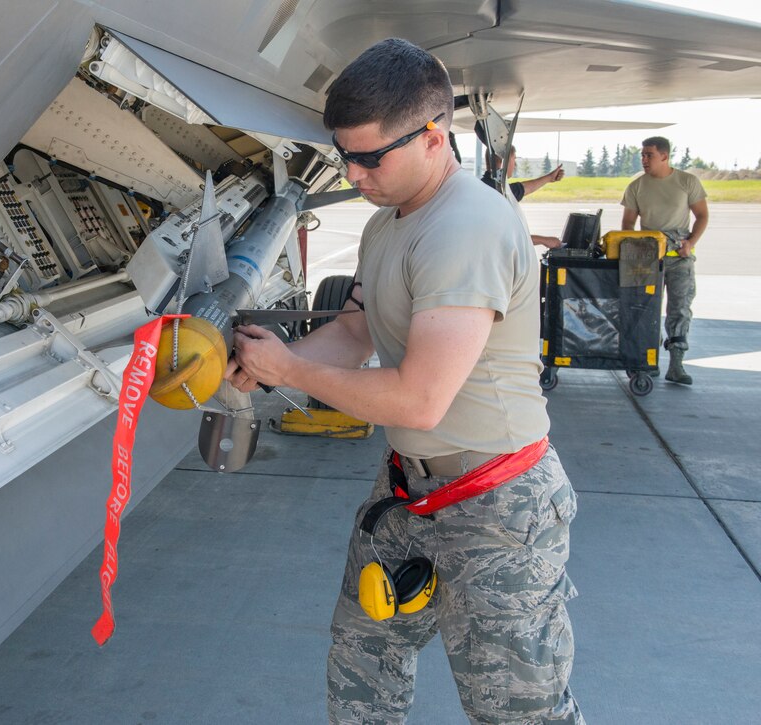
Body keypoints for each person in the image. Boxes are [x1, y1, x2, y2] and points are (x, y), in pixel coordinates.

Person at [225, 38, 583, 724]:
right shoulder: (389, 223)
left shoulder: (466, 226)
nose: (354, 175)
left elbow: (421, 396)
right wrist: (268, 364)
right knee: (362, 669)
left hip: (496, 507)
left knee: (517, 710)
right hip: (409, 491)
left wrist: (291, 369)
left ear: (432, 136)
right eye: (344, 156)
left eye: (369, 158)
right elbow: (357, 332)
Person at [621, 136, 708, 385]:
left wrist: (691, 243)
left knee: (680, 308)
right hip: (648, 257)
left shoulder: (686, 182)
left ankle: (676, 365)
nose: (644, 159)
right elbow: (628, 223)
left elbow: (702, 216)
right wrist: (636, 247)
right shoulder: (637, 186)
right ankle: (647, 362)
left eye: (649, 154)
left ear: (664, 156)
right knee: (645, 309)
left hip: (679, 259)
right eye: (642, 155)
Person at [481, 145, 566, 248]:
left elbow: (523, 188)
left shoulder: (486, 186)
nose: (515, 165)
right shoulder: (497, 191)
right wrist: (545, 240)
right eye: (514, 159)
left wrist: (549, 178)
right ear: (504, 161)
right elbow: (506, 237)